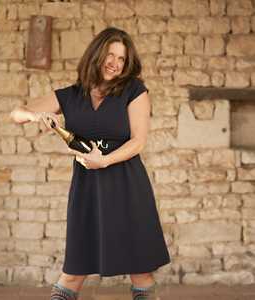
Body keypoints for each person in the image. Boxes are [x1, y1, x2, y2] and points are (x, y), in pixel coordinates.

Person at [10, 27, 170, 300]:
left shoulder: (134, 90)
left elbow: (138, 141)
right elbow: (16, 113)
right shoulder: (71, 95)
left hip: (127, 185)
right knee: (74, 270)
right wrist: (39, 117)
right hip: (87, 187)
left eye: (121, 59)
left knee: (140, 270)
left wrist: (104, 160)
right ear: (96, 54)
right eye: (110, 55)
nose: (115, 63)